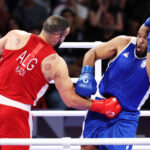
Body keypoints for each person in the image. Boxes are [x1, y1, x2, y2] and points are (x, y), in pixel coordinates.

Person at [0, 15, 121, 150]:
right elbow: (70, 100)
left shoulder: (16, 35)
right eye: (64, 37)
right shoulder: (56, 62)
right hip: (15, 113)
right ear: (58, 37)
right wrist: (101, 106)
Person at [76, 17, 150, 150]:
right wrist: (87, 72)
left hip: (126, 115)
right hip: (101, 106)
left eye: (146, 38)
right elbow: (92, 53)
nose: (140, 40)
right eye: (139, 35)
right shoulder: (124, 42)